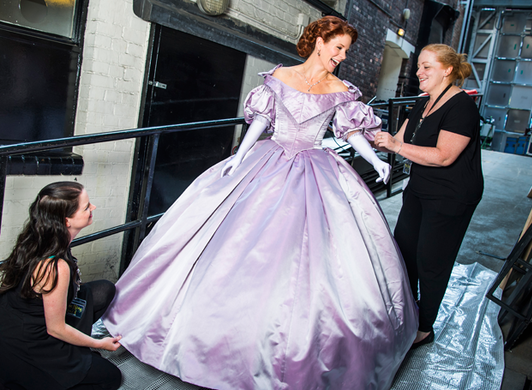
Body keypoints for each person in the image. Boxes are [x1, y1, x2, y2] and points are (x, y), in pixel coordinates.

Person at [103, 16, 418, 389]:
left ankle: (281, 348)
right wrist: (240, 156)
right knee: (234, 245)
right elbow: (261, 121)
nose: (342, 56)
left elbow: (349, 130)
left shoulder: (341, 89)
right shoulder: (279, 78)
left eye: (346, 50)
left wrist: (376, 160)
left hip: (315, 169)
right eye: (338, 47)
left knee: (309, 259)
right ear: (319, 40)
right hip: (267, 162)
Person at [374, 43, 484, 349]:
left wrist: (395, 147)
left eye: (427, 67)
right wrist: (363, 132)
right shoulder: (423, 103)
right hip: (420, 189)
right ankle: (405, 314)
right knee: (404, 252)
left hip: (451, 195)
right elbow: (397, 141)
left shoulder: (461, 106)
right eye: (419, 66)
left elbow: (444, 156)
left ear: (447, 70)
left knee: (431, 261)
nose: (419, 72)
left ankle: (424, 328)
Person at [0, 182, 122, 390]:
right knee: (111, 377)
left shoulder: (42, 238)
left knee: (104, 289)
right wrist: (98, 343)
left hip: (26, 319)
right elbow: (55, 329)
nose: (92, 208)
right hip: (28, 343)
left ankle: (74, 345)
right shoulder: (54, 266)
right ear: (66, 220)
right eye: (86, 207)